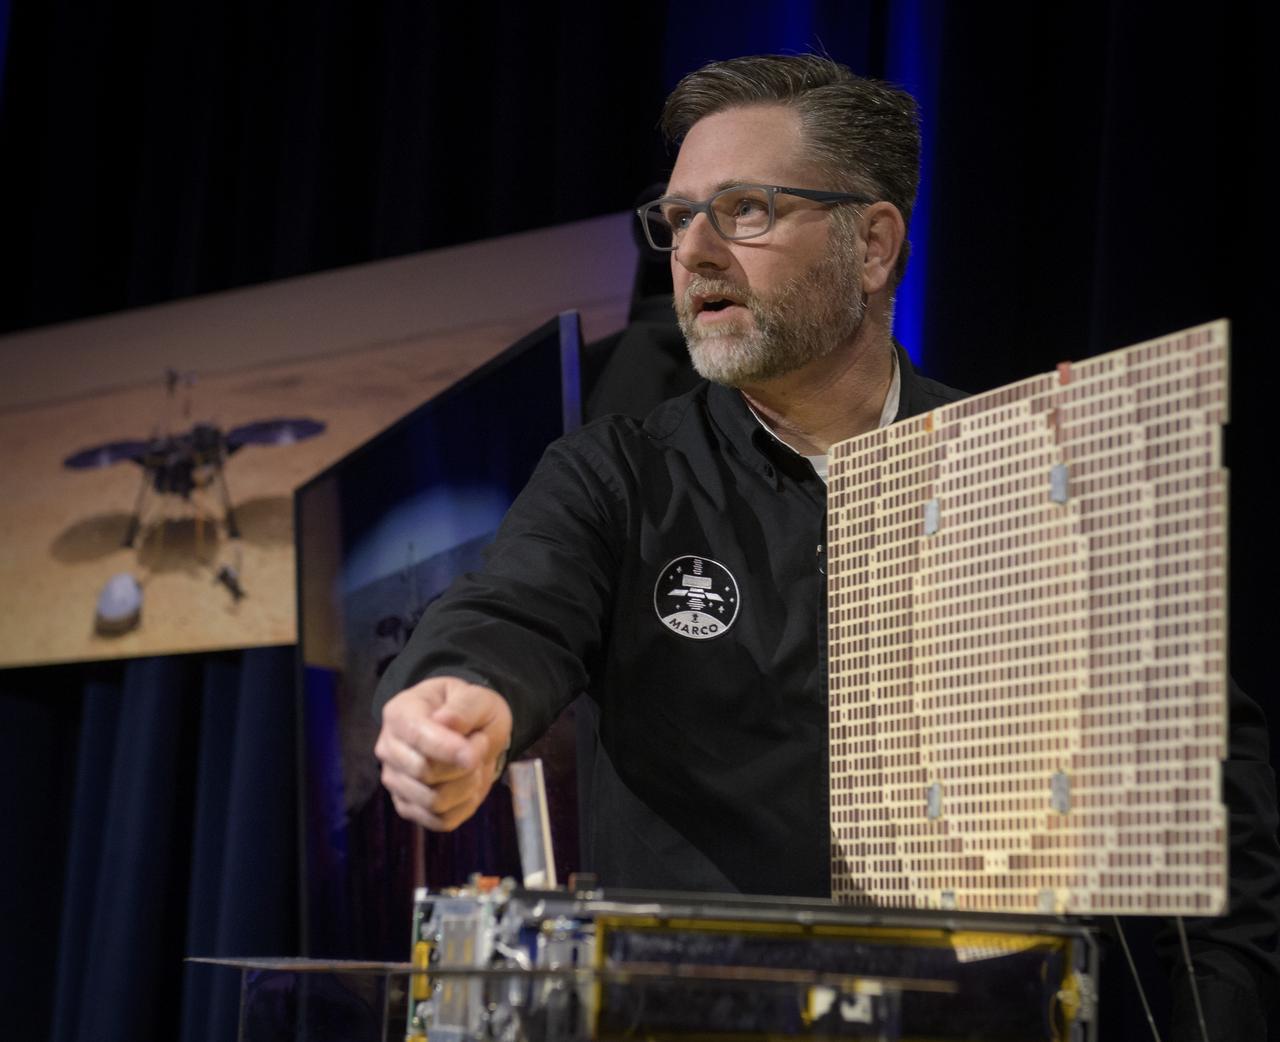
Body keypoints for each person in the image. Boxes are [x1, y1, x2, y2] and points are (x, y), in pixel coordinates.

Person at [374, 55, 1279, 1036]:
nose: (695, 253)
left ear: (873, 244)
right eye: (677, 219)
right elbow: (510, 613)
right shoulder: (618, 475)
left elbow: (1212, 818)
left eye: (745, 210)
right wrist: (457, 696)